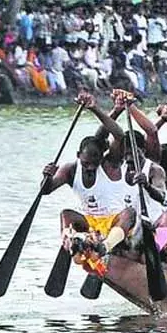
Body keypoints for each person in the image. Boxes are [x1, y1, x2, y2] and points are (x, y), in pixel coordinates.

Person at [40, 92, 137, 257]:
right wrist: (46, 177)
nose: (91, 167)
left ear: (102, 157)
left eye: (95, 162)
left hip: (113, 222)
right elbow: (46, 190)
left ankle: (105, 246)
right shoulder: (70, 169)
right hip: (89, 222)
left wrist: (95, 109)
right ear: (78, 155)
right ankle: (71, 243)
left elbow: (119, 136)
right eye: (86, 163)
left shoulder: (109, 164)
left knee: (130, 213)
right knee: (66, 215)